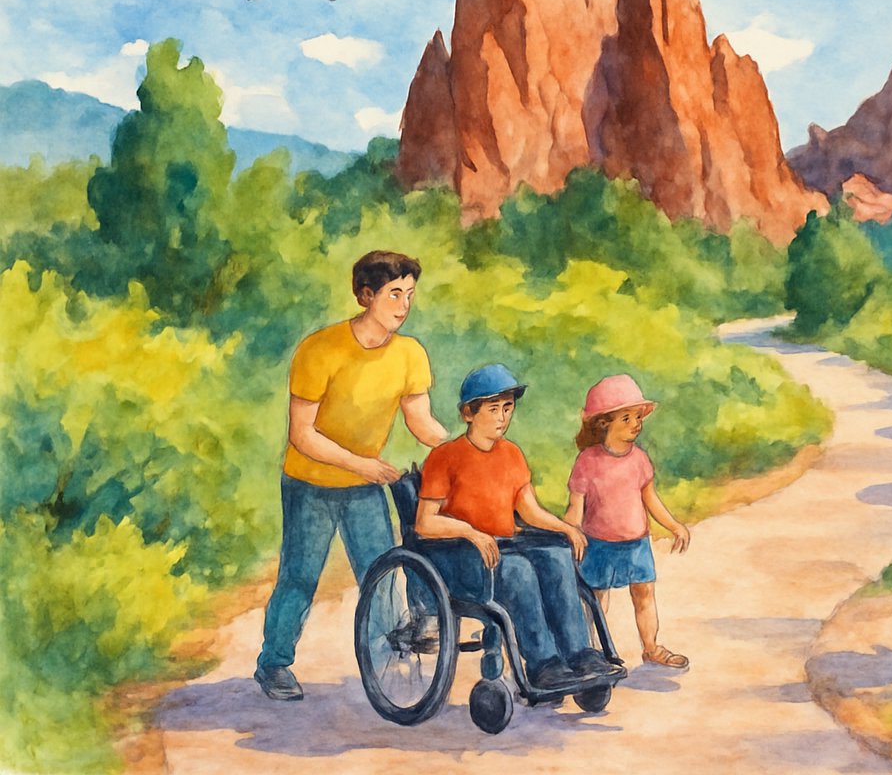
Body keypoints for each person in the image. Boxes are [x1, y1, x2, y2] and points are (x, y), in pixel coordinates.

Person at [255, 250, 451, 702]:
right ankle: (274, 663)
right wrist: (361, 464)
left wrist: (461, 450)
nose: (404, 305)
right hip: (309, 483)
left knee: (381, 573)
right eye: (394, 294)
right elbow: (303, 435)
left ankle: (387, 664)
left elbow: (420, 422)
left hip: (363, 487)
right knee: (301, 576)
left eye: (410, 295)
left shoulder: (409, 354)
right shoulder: (319, 349)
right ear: (366, 296)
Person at [415, 364, 621, 691]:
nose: (502, 417)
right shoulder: (446, 457)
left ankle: (580, 655)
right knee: (520, 570)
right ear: (469, 413)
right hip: (458, 557)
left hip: (502, 547)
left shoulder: (512, 455)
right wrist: (471, 532)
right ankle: (544, 664)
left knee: (555, 556)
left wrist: (566, 529)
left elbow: (529, 510)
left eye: (507, 408)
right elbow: (425, 523)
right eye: (493, 409)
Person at [566, 375, 692, 672]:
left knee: (644, 594)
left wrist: (674, 525)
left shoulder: (640, 460)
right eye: (627, 417)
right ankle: (593, 652)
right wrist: (569, 533)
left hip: (636, 543)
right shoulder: (587, 460)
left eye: (638, 416)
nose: (636, 423)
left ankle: (651, 647)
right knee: (596, 599)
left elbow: (651, 500)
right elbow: (575, 507)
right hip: (598, 544)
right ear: (603, 423)